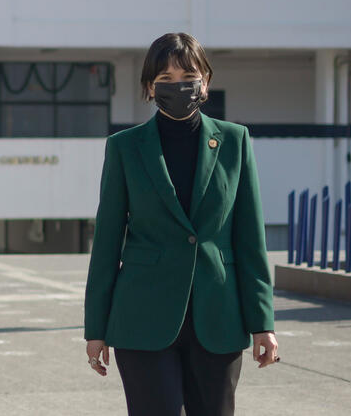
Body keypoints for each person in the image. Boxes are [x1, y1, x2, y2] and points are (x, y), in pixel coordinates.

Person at [83, 32, 278, 416]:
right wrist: (96, 328)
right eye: (165, 79)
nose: (178, 86)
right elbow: (107, 241)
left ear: (205, 80)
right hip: (142, 318)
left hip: (218, 317)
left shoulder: (235, 141)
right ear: (149, 87)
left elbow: (250, 239)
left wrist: (263, 322)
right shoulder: (125, 147)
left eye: (187, 75)